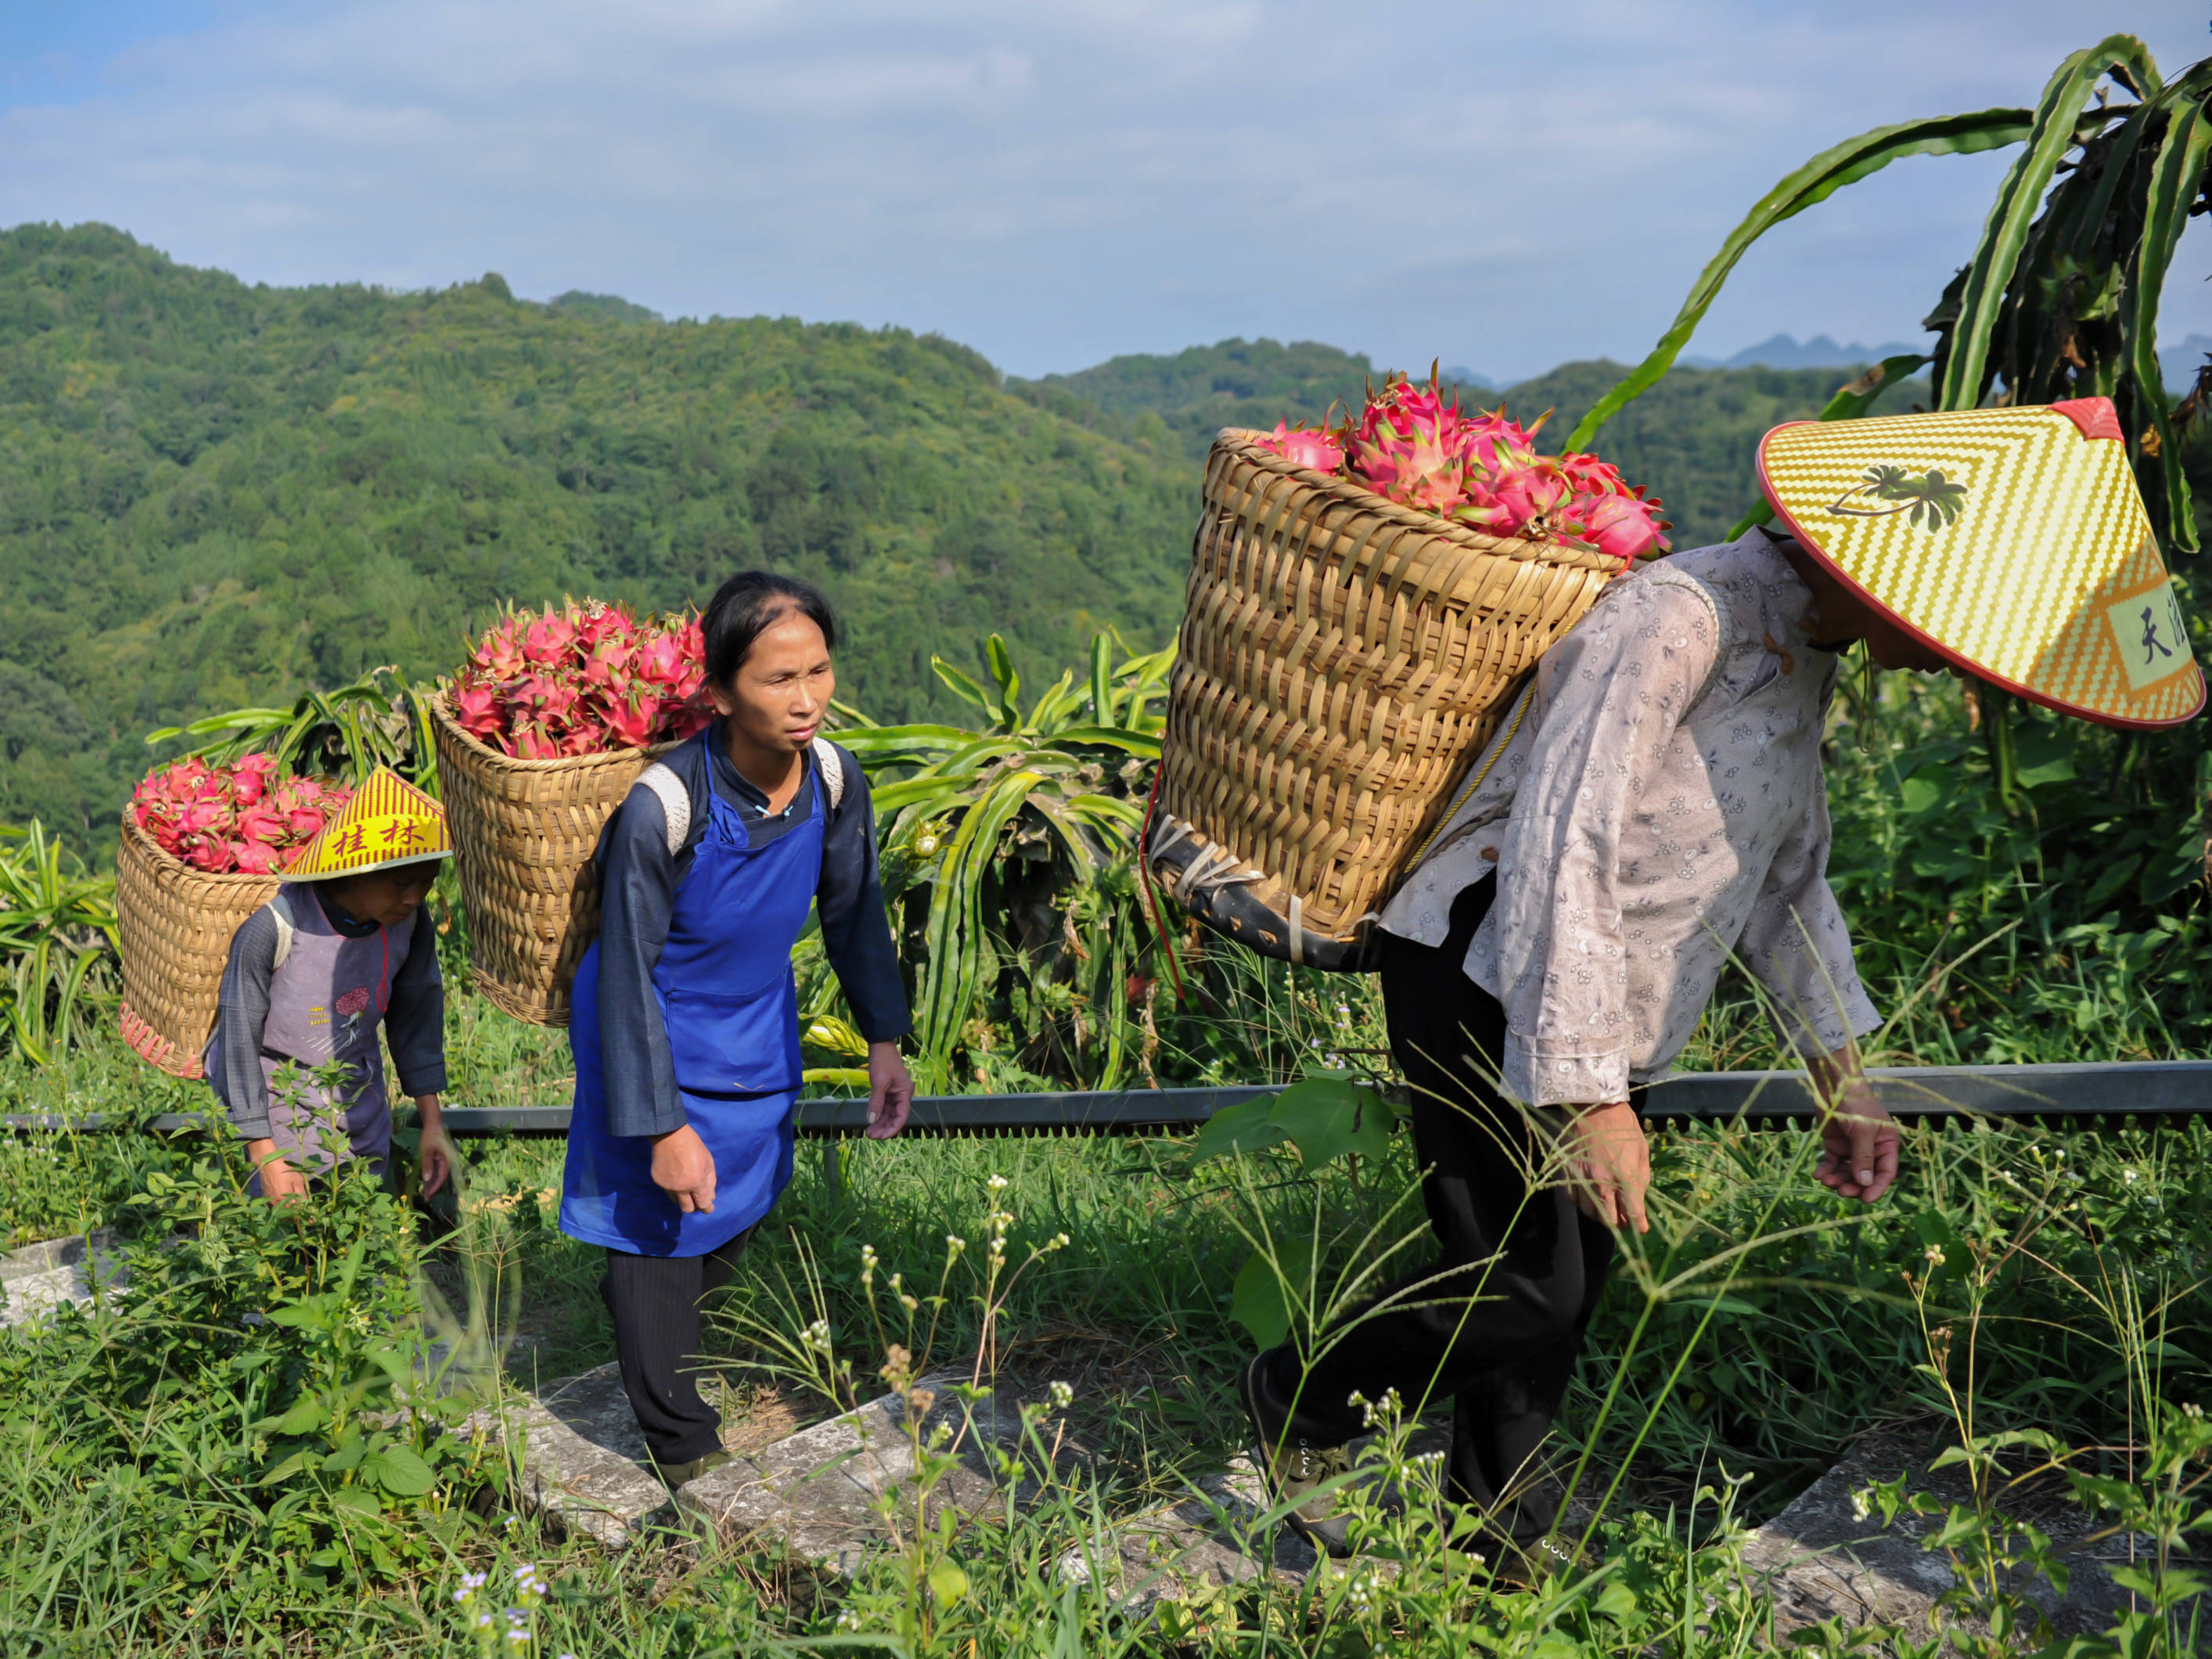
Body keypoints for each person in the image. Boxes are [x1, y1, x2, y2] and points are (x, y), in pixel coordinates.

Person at [1235, 397, 2203, 1576]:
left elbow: (1784, 879)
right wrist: (1591, 1100)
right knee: (1526, 1284)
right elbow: (1562, 841)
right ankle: (1297, 1393)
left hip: (1599, 1006)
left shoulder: (1803, 655)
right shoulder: (1674, 618)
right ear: (1879, 578)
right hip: (1484, 966)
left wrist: (1840, 1075)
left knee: (1566, 1282)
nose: (1951, 658)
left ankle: (1496, 1543)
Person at [560, 570, 915, 1487]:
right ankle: (682, 1446)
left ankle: (649, 1322)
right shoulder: (664, 806)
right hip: (650, 1026)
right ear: (720, 692)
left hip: (752, 1027)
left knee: (723, 1224)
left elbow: (853, 909)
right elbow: (627, 972)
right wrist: (665, 1122)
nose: (806, 701)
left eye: (818, 672)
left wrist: (884, 1036)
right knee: (655, 1230)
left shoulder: (833, 777)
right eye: (777, 680)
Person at [208, 769, 455, 1204]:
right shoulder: (275, 928)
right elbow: (236, 1043)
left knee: (363, 1253)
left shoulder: (409, 926)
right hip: (278, 1128)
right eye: (401, 883)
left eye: (427, 882)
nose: (415, 897)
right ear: (355, 870)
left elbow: (417, 1018)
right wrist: (264, 1154)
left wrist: (432, 1124)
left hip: (362, 1122)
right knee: (284, 1261)